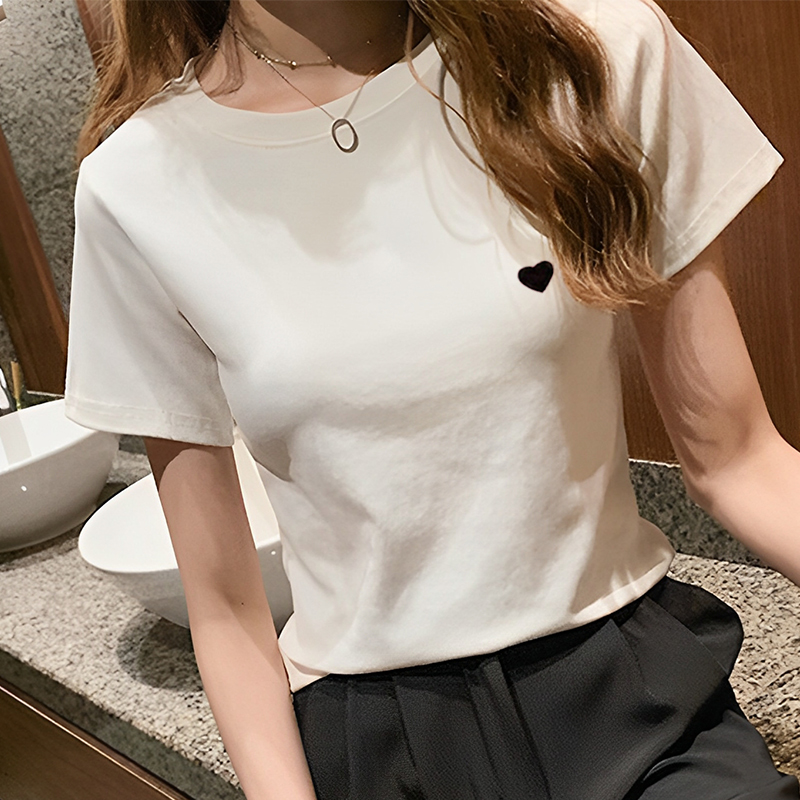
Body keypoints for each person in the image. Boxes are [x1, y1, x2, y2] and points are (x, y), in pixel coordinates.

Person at [64, 0, 800, 798]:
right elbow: (226, 607)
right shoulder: (134, 187)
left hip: (630, 691)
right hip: (380, 740)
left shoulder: (592, 54)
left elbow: (740, 459)